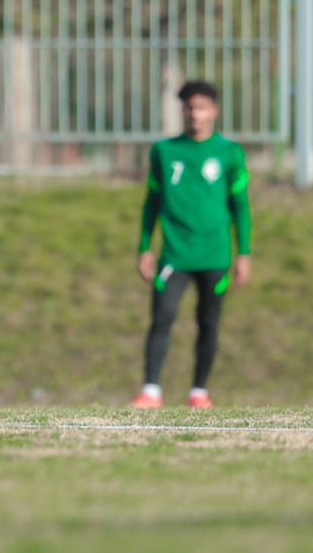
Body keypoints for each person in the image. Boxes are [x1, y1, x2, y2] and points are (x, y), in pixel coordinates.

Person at [131, 80, 251, 410]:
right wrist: (144, 247)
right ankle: (151, 390)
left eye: (200, 107)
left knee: (209, 322)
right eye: (188, 107)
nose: (193, 114)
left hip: (215, 255)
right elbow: (151, 201)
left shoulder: (229, 153)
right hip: (175, 254)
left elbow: (240, 206)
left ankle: (199, 391)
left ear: (213, 111)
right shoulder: (165, 151)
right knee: (162, 316)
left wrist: (244, 253)